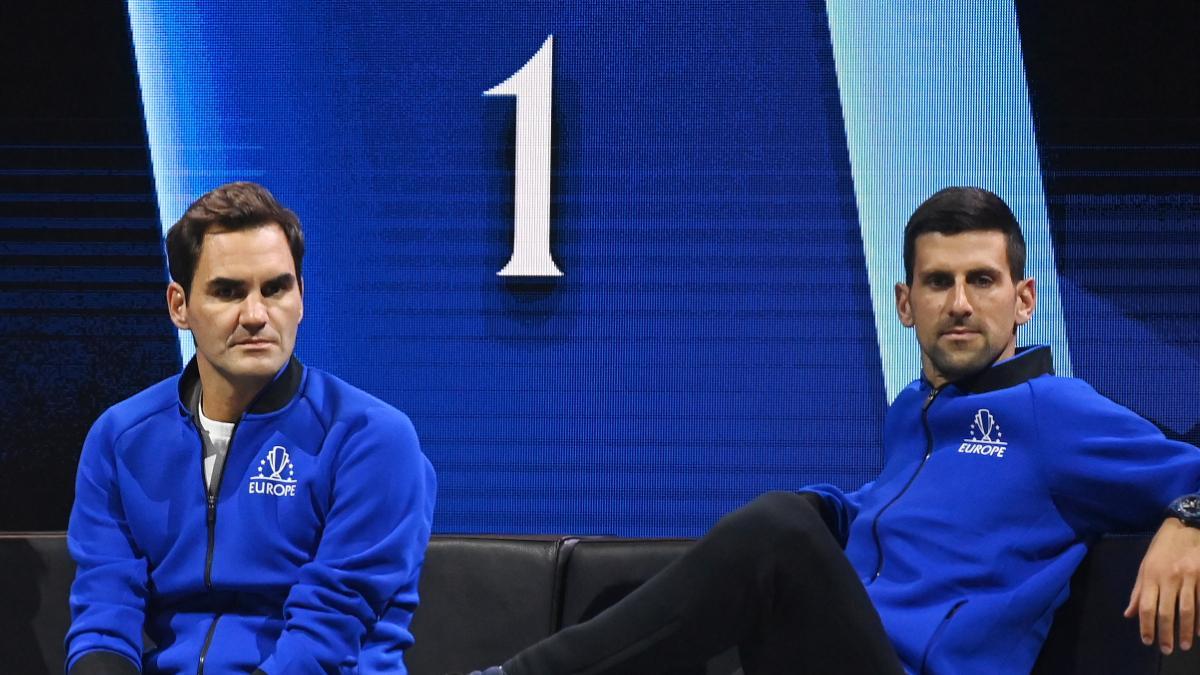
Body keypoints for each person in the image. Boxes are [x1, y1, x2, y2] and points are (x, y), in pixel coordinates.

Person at [470, 186, 1200, 675]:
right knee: (622, 603)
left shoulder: (1055, 411)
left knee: (778, 529)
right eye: (938, 282)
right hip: (839, 651)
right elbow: (909, 511)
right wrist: (835, 506)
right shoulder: (915, 408)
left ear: (1024, 298)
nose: (960, 302)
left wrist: (1188, 517)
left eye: (982, 279)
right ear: (905, 303)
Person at [65, 182, 437, 674]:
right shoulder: (120, 438)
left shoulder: (371, 439)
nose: (257, 315)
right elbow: (105, 612)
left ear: (301, 297)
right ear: (180, 306)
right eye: (228, 292)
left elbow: (327, 633)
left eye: (276, 288)